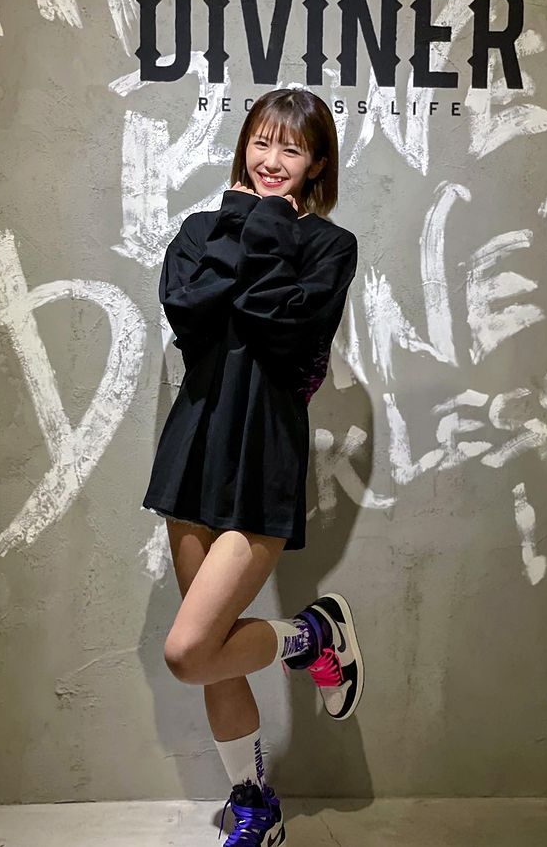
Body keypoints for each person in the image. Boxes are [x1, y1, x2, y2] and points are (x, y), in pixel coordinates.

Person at [141, 88, 364, 845]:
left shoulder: (331, 248)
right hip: (193, 449)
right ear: (244, 145)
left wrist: (264, 224)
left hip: (264, 451)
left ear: (316, 165)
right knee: (215, 654)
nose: (271, 160)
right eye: (261, 143)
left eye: (291, 149)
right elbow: (191, 313)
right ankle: (254, 800)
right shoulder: (200, 231)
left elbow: (283, 329)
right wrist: (240, 221)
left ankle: (310, 637)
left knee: (188, 650)